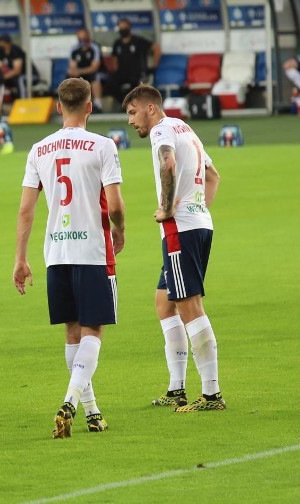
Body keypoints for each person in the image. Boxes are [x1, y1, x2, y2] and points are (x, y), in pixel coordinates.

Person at [13, 78, 125, 438]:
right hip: (92, 250)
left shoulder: (38, 150)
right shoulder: (103, 146)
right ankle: (70, 402)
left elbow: (26, 210)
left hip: (55, 252)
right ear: (89, 106)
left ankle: (92, 412)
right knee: (93, 330)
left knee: (72, 331)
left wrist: (21, 258)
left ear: (58, 107)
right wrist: (119, 230)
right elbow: (116, 203)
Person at [122, 84, 224, 412]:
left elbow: (168, 164)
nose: (130, 121)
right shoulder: (186, 128)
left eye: (132, 112)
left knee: (188, 304)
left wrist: (168, 208)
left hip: (180, 229)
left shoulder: (162, 131)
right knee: (164, 303)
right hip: (197, 224)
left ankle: (211, 394)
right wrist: (199, 209)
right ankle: (176, 388)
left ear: (151, 108)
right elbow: (213, 176)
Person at [109, 18, 161, 104]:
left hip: (137, 74)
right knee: (111, 84)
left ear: (129, 28)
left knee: (136, 89)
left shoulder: (138, 41)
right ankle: (124, 104)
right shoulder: (117, 43)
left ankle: (132, 105)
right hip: (122, 73)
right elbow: (114, 57)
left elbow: (156, 48)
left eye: (125, 28)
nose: (123, 30)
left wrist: (154, 65)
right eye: (121, 28)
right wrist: (115, 69)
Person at [68, 28, 104, 112]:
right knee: (70, 77)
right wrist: (74, 72)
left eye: (84, 39)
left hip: (93, 72)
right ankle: (73, 105)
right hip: (80, 73)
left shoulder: (94, 47)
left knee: (95, 76)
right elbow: (72, 65)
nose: (83, 41)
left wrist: (80, 71)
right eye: (80, 39)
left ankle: (98, 105)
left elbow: (95, 67)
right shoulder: (74, 49)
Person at [0, 33, 41, 100]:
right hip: (13, 76)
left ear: (6, 42)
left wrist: (3, 77)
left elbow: (17, 71)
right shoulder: (1, 51)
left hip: (31, 76)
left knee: (20, 79)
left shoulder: (16, 50)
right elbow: (0, 65)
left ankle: (22, 101)